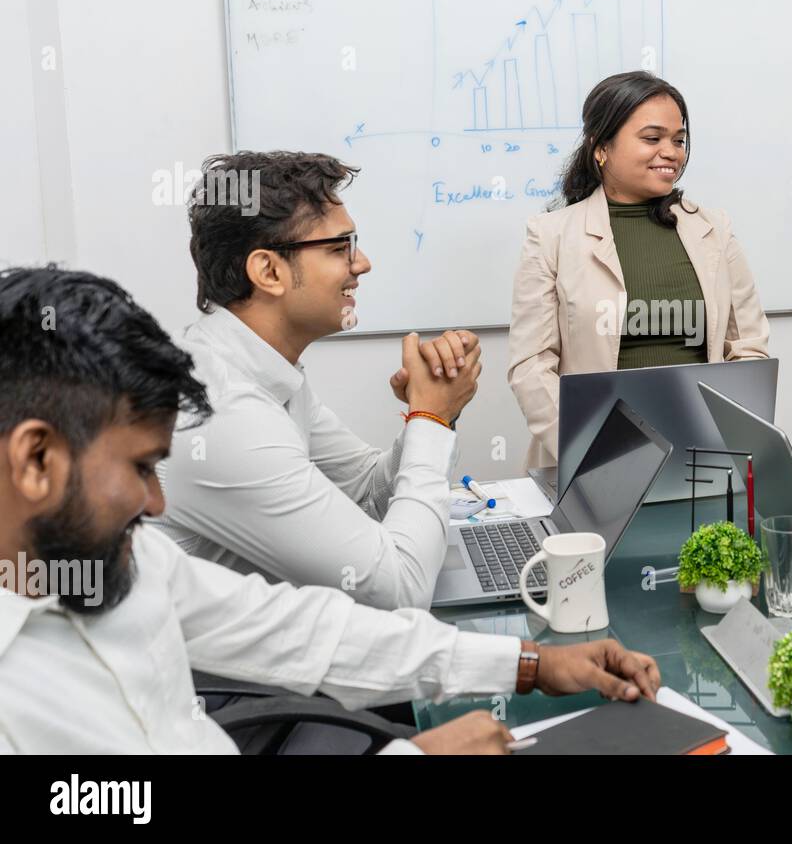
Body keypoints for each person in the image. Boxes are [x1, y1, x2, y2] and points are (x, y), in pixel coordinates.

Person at [0, 266, 660, 754]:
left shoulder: (121, 558)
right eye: (142, 468)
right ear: (36, 460)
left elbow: (299, 628)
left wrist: (530, 665)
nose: (157, 501)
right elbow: (394, 584)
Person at [155, 151, 477, 609]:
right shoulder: (221, 410)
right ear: (268, 271)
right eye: (338, 247)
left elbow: (368, 491)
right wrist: (431, 417)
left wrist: (432, 414)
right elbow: (400, 591)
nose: (361, 263)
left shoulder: (265, 371)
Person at [508, 71, 771, 469]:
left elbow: (747, 347)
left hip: (702, 454)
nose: (671, 152)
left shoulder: (714, 230)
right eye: (652, 138)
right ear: (601, 147)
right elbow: (531, 365)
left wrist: (727, 438)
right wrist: (589, 448)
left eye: (678, 140)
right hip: (593, 457)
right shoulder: (551, 236)